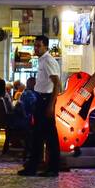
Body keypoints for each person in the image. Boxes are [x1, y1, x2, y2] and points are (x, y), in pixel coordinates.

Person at [19, 37, 62, 177]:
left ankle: (53, 168)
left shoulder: (49, 60)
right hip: (41, 98)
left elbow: (57, 84)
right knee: (37, 135)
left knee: (50, 136)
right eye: (35, 46)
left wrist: (50, 105)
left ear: (45, 46)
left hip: (46, 100)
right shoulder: (42, 60)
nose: (35, 48)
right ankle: (33, 166)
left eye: (38, 46)